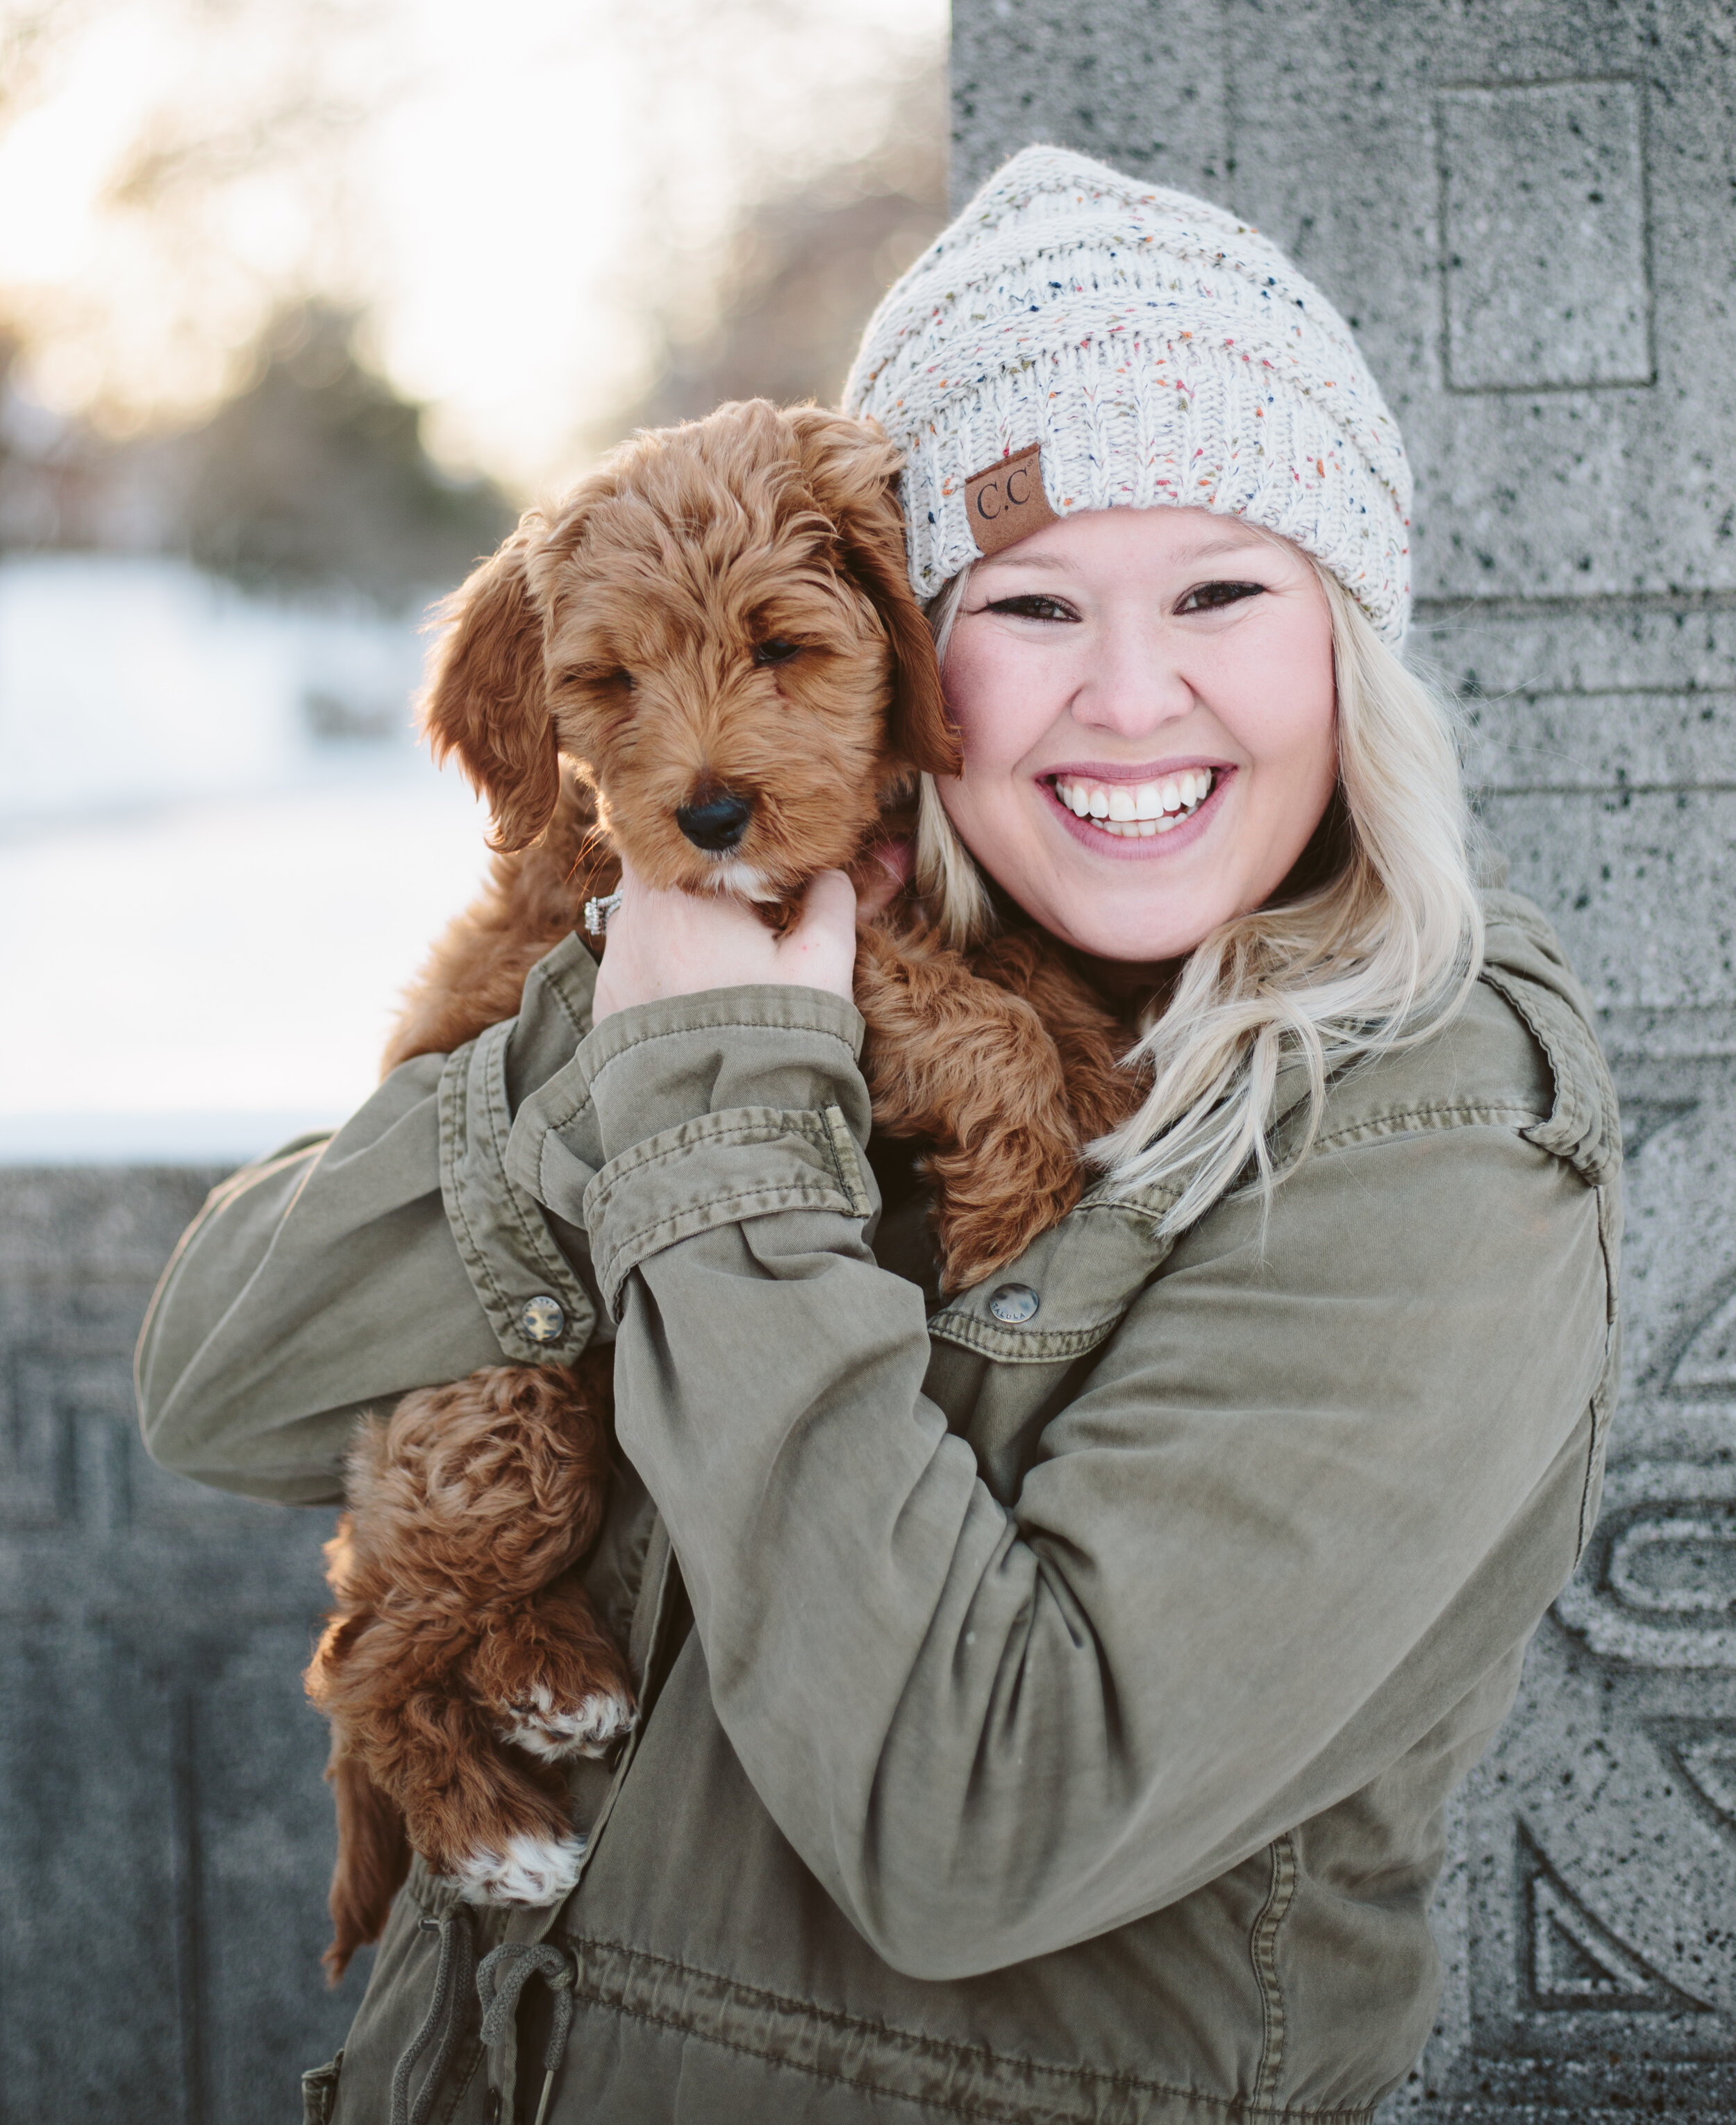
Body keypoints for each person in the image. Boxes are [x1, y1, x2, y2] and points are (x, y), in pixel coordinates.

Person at [136, 147, 1621, 2125]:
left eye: (1218, 591)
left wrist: (723, 1093)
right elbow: (221, 1387)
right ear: (926, 649)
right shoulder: (780, 959)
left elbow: (978, 1831)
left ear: (1347, 637)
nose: (1126, 695)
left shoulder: (1431, 1137)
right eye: (1029, 601)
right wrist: (647, 1018)